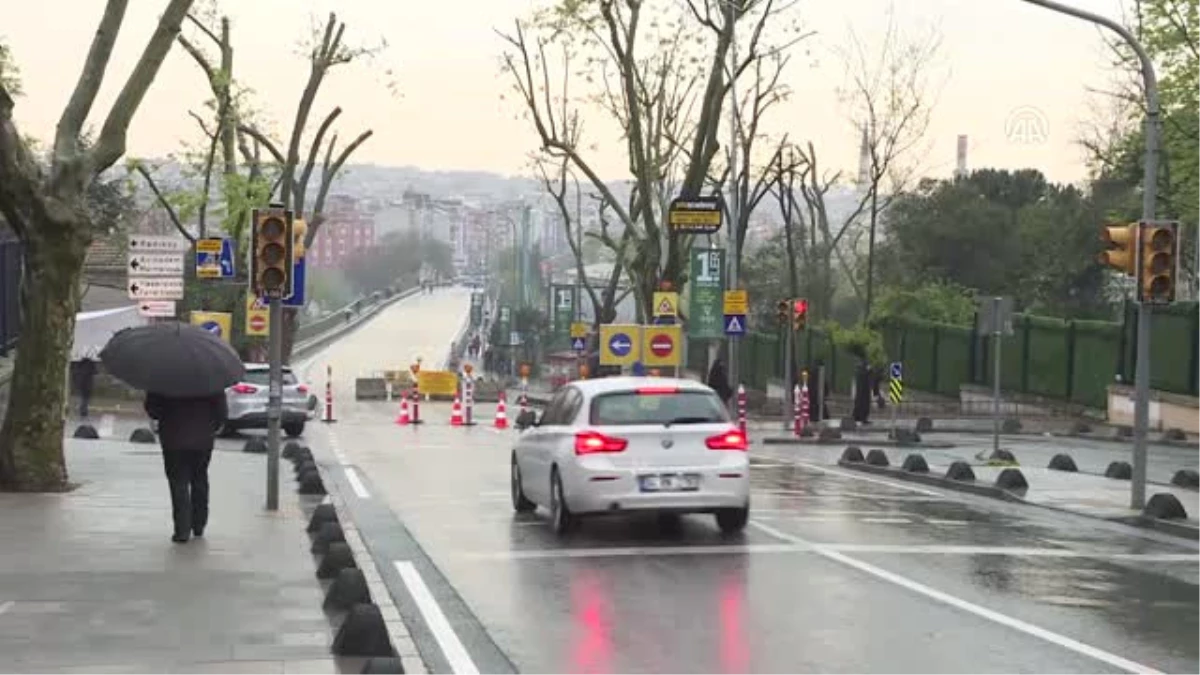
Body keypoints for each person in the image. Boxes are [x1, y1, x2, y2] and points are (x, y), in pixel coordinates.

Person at [144, 392, 227, 543]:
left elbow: (153, 410)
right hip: (203, 438)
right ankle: (199, 524)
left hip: (173, 438)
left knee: (178, 482)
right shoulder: (211, 379)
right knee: (200, 477)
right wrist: (211, 426)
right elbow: (221, 412)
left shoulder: (165, 377)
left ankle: (182, 529)